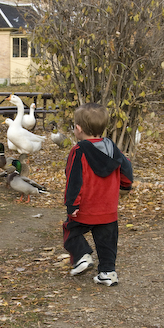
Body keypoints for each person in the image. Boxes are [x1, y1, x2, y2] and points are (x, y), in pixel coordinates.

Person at [63, 102, 133, 287]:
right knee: (107, 241)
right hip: (108, 209)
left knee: (70, 230)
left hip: (86, 208)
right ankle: (108, 273)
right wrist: (126, 185)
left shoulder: (79, 151)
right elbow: (126, 168)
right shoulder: (112, 147)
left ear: (78, 129)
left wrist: (72, 203)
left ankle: (82, 256)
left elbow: (74, 178)